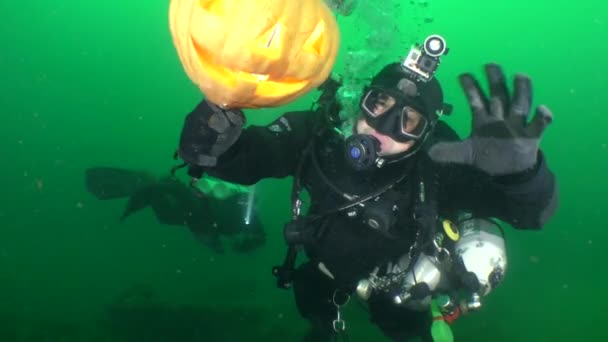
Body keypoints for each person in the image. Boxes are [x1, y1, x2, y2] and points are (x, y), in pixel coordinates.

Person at [171, 36, 558, 341]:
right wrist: (210, 139)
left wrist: (521, 175)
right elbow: (247, 157)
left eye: (408, 121)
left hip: (399, 289)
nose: (384, 128)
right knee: (313, 309)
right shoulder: (321, 135)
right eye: (379, 104)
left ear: (425, 136)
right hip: (322, 271)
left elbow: (531, 214)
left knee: (405, 329)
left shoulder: (438, 165)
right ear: (360, 100)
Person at [85, 167, 266, 254]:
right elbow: (259, 236)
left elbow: (258, 237)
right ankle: (161, 184)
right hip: (202, 208)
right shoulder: (245, 216)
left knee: (167, 216)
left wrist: (218, 244)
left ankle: (158, 185)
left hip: (198, 216)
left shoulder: (244, 220)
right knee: (174, 208)